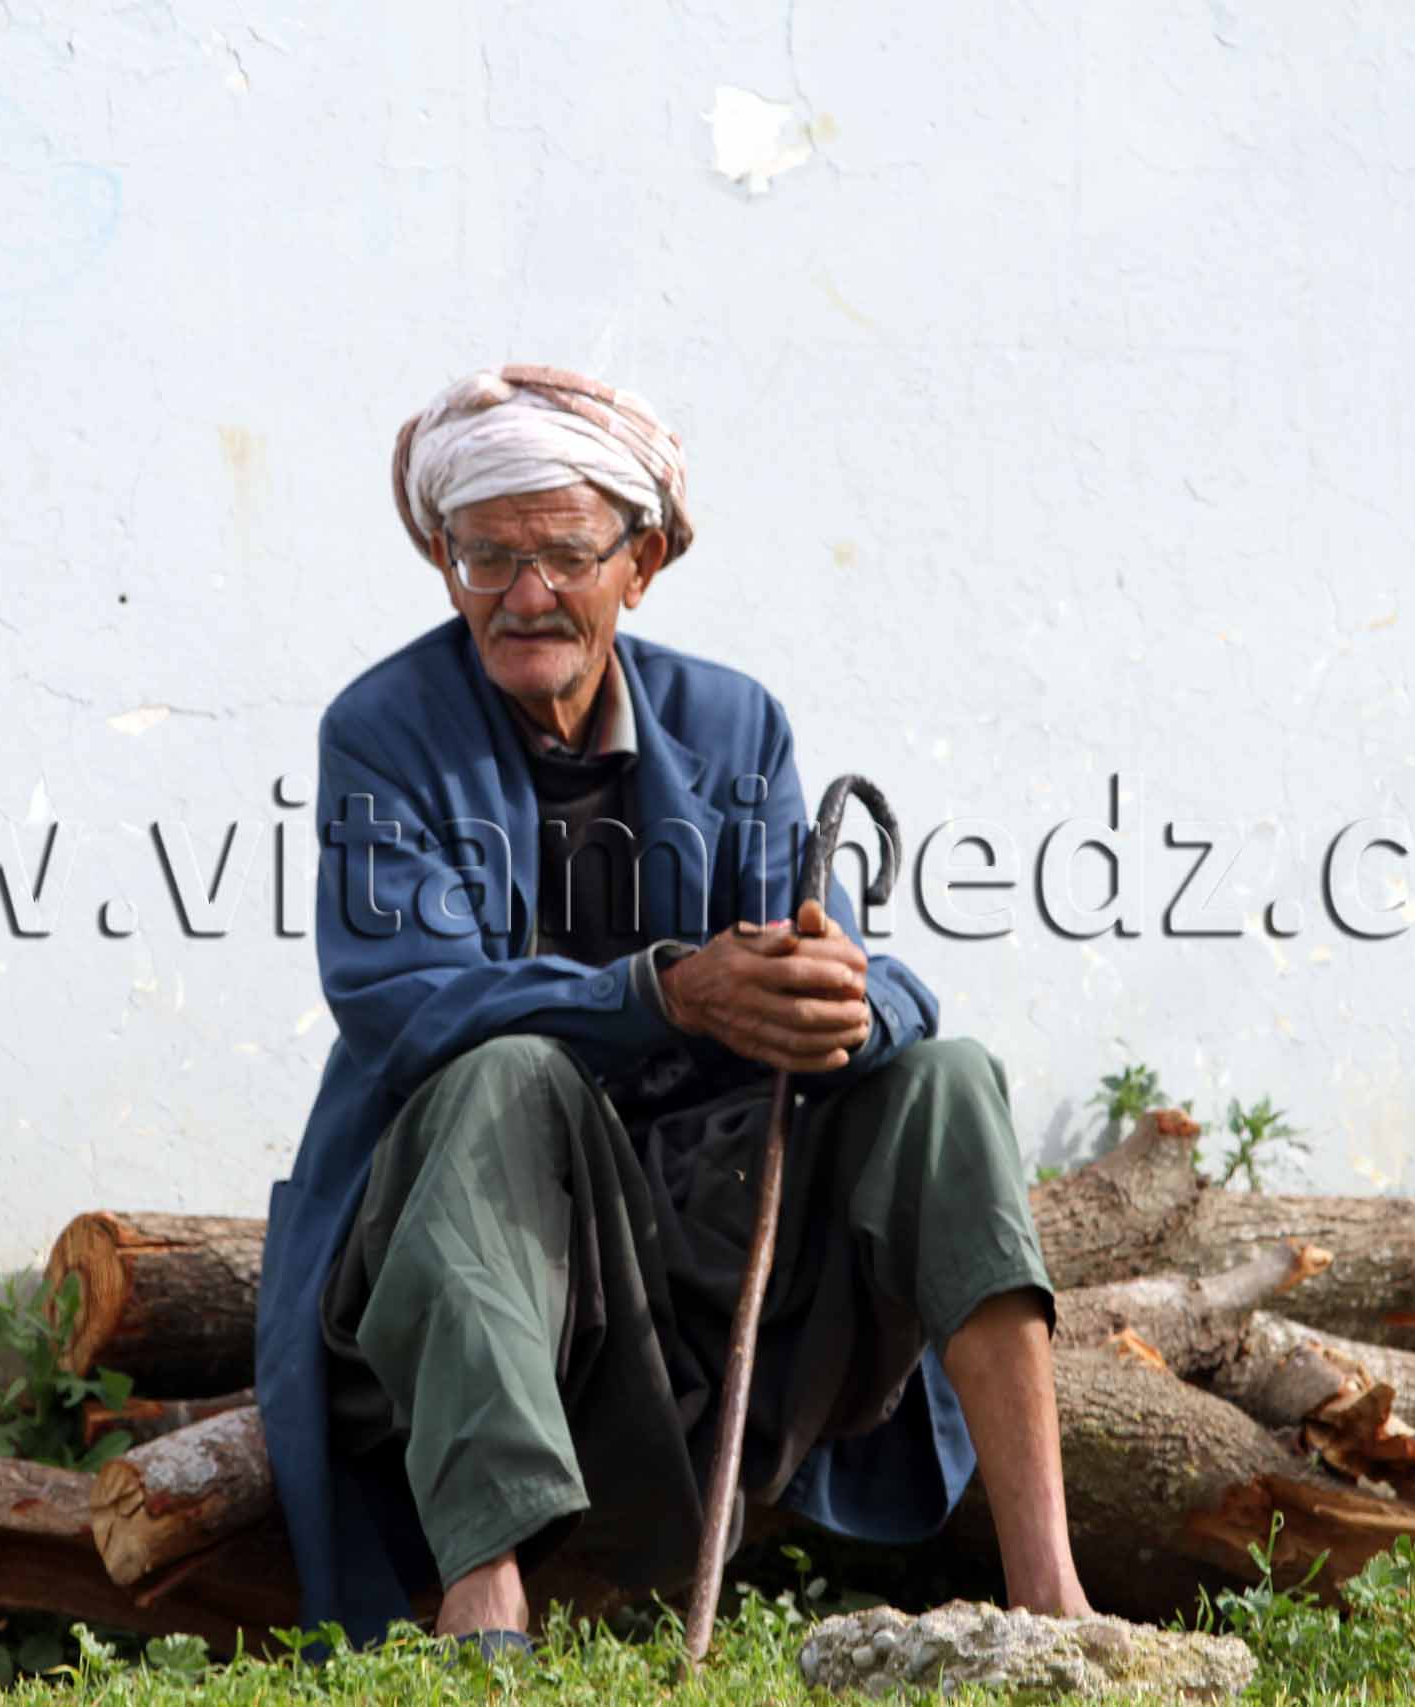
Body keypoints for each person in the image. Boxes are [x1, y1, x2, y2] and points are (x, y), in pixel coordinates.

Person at [254, 363, 1089, 1648]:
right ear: (443, 564)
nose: (525, 595)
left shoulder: (731, 725)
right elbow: (411, 1006)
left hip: (701, 1238)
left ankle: (1050, 1592)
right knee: (506, 1073)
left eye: (565, 555)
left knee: (944, 1079)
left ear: (639, 565)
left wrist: (842, 1007)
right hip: (467, 1245)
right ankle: (486, 1604)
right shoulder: (381, 732)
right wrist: (669, 995)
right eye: (486, 557)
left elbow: (863, 971)